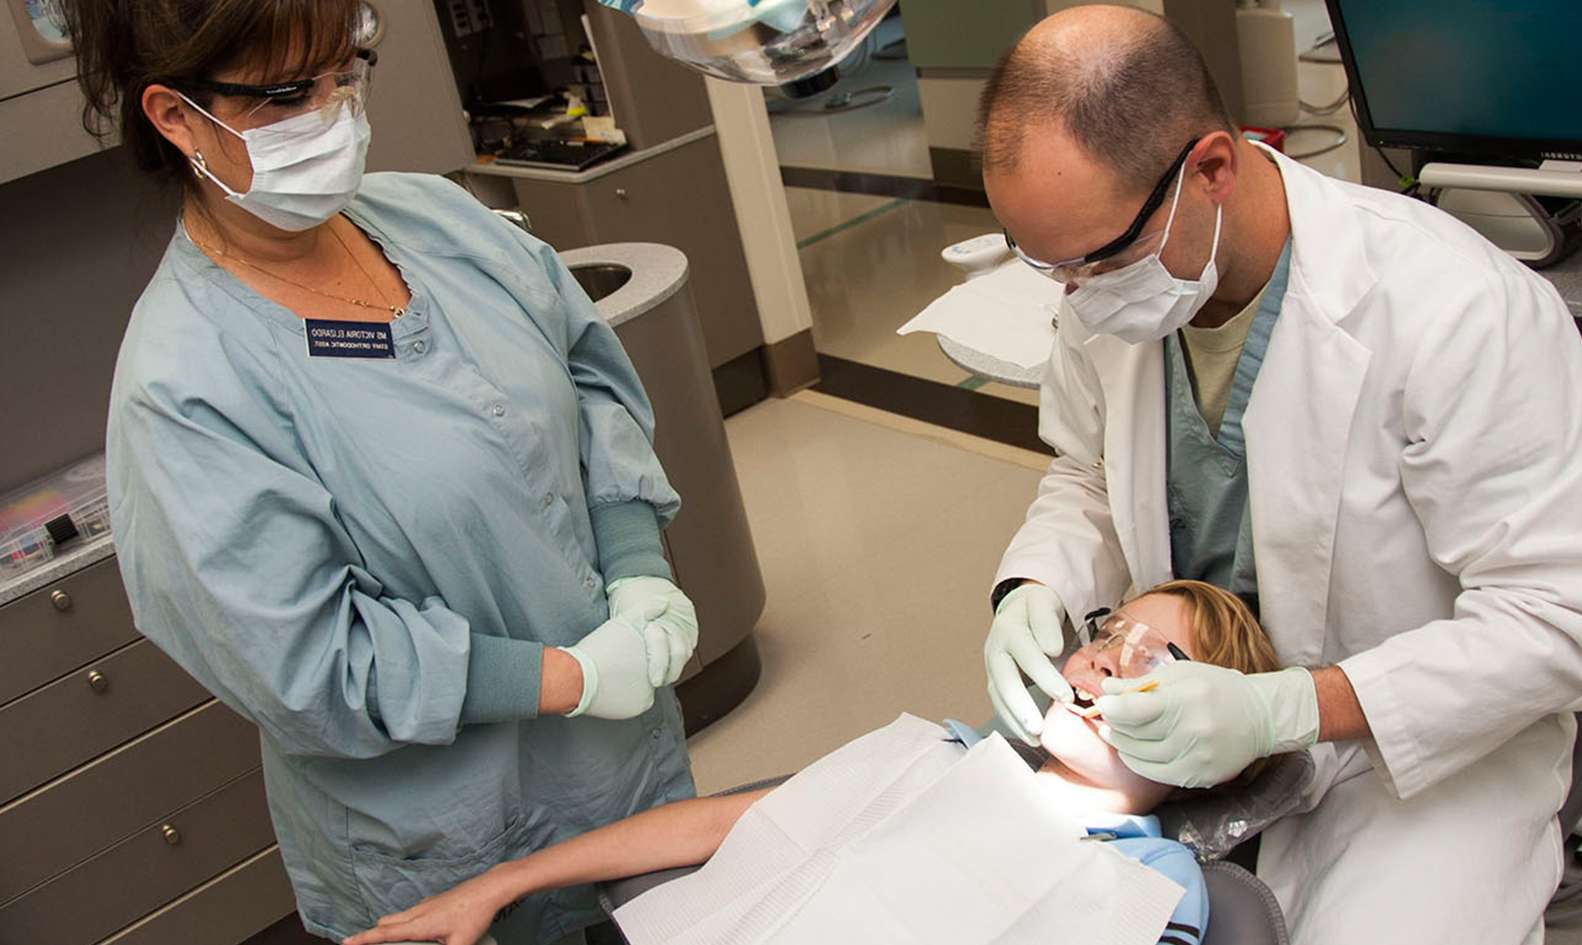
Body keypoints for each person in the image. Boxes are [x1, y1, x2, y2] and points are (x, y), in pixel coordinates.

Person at [976, 7, 1582, 944]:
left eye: (1097, 259)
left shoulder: (1459, 311)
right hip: (1183, 713)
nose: (1074, 295)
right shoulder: (1116, 291)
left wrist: (1285, 705)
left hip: (1416, 746)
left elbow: (1562, 617)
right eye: (1049, 266)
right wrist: (1033, 585)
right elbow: (1086, 469)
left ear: (1210, 169)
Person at [69, 2, 700, 942]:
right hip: (448, 841)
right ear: (174, 116)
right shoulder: (186, 385)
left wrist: (635, 559)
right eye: (289, 94)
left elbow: (583, 371)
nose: (335, 114)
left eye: (345, 72)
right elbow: (308, 662)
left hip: (622, 763)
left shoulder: (438, 220)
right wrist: (562, 677)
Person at [342, 580, 1279, 945]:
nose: (1110, 655)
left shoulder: (1154, 885)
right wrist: (502, 881)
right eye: (1111, 630)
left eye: (1159, 660)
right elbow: (733, 820)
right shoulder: (936, 755)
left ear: (1215, 748)